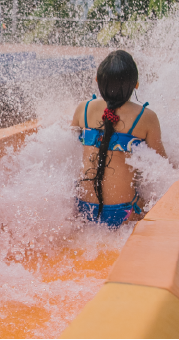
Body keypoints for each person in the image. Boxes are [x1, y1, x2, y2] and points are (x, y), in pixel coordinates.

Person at [71, 50, 167, 228]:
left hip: (83, 208)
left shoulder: (83, 109)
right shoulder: (146, 117)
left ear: (97, 81)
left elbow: (68, 148)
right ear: (136, 85)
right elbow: (161, 165)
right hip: (123, 212)